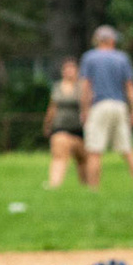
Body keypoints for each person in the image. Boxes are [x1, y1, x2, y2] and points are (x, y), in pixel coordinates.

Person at [79, 25, 133, 191]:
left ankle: (93, 189)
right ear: (112, 40)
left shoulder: (89, 58)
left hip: (99, 106)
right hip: (120, 106)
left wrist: (84, 109)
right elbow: (130, 86)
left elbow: (86, 87)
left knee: (94, 150)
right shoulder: (122, 58)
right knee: (127, 148)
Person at [41, 58, 88, 189]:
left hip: (80, 129)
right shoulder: (57, 87)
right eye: (66, 69)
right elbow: (52, 107)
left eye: (72, 69)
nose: (69, 72)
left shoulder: (83, 87)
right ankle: (54, 185)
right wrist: (47, 123)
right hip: (61, 128)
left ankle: (87, 189)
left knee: (83, 161)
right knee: (59, 157)